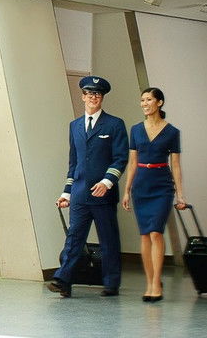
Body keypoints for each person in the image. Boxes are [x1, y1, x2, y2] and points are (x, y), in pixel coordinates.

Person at [48, 76, 128, 298]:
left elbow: (120, 159)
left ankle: (111, 283)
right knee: (74, 238)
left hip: (103, 194)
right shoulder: (74, 126)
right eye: (90, 94)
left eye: (98, 94)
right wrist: (67, 192)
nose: (94, 97)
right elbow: (73, 163)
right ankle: (63, 280)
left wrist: (107, 182)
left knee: (108, 239)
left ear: (102, 98)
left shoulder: (114, 124)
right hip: (80, 193)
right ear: (83, 97)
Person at [121, 87, 186, 302]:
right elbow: (132, 162)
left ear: (159, 102)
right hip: (141, 185)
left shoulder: (172, 132)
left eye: (148, 99)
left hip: (162, 186)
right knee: (144, 235)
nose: (144, 104)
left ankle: (157, 282)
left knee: (156, 232)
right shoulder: (136, 130)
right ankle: (149, 283)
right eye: (142, 100)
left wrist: (180, 195)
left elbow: (175, 165)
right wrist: (127, 190)